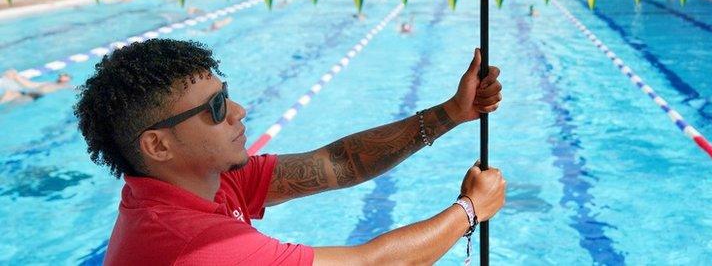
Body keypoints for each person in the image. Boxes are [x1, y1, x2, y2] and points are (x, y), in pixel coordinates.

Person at [73, 40, 505, 265]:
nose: (238, 112)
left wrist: (451, 113)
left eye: (226, 96)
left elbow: (338, 163)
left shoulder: (205, 181)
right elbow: (372, 264)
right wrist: (470, 210)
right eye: (216, 108)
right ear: (158, 145)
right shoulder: (194, 247)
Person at [1, 70, 73, 104]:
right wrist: (17, 77)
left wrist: (17, 77)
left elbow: (77, 89)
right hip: (29, 93)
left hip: (35, 95)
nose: (61, 76)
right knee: (9, 93)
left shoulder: (66, 86)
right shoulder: (49, 83)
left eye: (65, 75)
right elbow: (31, 84)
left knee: (10, 100)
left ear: (69, 79)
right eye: (61, 74)